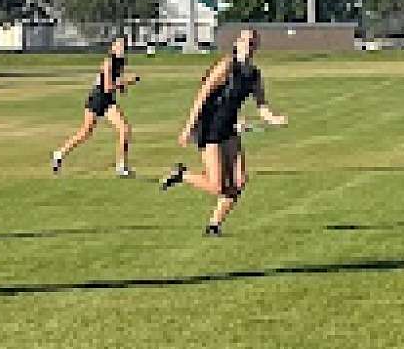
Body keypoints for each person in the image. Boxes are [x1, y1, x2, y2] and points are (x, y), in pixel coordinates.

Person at [159, 27, 287, 236]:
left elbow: (262, 105)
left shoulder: (254, 74)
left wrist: (275, 119)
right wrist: (189, 126)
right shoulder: (227, 65)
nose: (249, 45)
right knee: (218, 186)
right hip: (210, 128)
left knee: (239, 180)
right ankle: (182, 174)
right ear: (237, 43)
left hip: (229, 129)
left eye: (253, 42)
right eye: (245, 41)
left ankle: (214, 226)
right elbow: (202, 95)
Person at [52, 36, 140, 174]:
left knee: (124, 129)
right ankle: (59, 154)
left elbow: (116, 83)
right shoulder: (108, 63)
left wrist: (123, 86)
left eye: (124, 46)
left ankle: (121, 166)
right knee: (85, 132)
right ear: (112, 48)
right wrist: (127, 82)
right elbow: (107, 87)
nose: (122, 48)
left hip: (108, 100)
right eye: (119, 45)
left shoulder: (121, 62)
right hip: (97, 99)